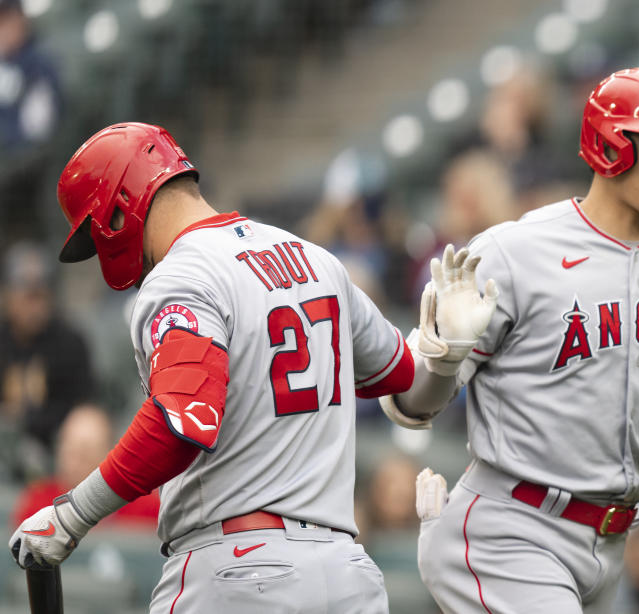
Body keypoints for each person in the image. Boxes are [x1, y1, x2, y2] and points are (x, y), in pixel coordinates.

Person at [8, 122, 420, 613]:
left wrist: (74, 513)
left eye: (99, 234)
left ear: (119, 211)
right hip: (347, 576)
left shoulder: (182, 275)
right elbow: (403, 377)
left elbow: (182, 420)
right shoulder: (316, 259)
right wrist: (446, 348)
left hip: (241, 575)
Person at [378, 68, 639, 613]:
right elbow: (411, 405)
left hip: (612, 539)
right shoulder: (515, 251)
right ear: (610, 144)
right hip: (511, 529)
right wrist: (444, 355)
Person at [0, 240, 97, 479]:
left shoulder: (70, 341)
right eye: (27, 297)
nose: (35, 307)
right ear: (7, 296)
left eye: (40, 296)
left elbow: (84, 409)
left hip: (57, 449)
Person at [11, 403, 160, 528]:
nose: (72, 461)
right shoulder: (38, 503)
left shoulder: (145, 507)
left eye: (84, 452)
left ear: (111, 454)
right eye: (68, 447)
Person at [0, 0, 63, 244]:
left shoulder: (39, 65)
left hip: (26, 163)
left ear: (20, 21)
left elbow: (38, 129)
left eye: (6, 21)